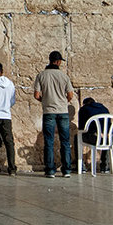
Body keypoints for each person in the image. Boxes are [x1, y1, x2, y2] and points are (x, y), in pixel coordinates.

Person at [34, 50, 74, 178]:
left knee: (49, 141)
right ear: (57, 62)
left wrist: (45, 101)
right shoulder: (64, 76)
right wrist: (63, 102)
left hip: (49, 111)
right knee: (65, 141)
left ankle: (50, 170)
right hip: (62, 111)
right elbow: (70, 95)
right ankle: (66, 170)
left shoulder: (41, 75)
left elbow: (36, 95)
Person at [78, 96, 112, 173]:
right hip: (107, 137)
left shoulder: (84, 109)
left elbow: (82, 128)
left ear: (84, 104)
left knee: (77, 137)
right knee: (105, 141)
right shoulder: (104, 108)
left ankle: (81, 166)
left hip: (94, 137)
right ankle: (105, 166)